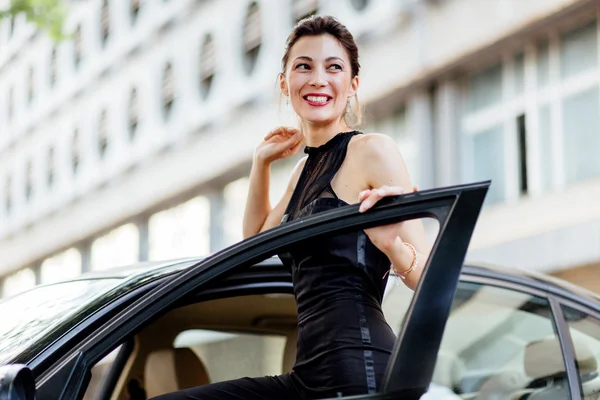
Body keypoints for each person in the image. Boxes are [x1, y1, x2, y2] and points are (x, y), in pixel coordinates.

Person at [151, 15, 431, 400]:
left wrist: (392, 247)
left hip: (359, 371)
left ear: (352, 86)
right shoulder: (302, 170)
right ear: (285, 84)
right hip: (307, 376)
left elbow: (428, 275)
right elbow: (254, 244)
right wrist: (260, 163)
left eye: (333, 67)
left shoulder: (373, 150)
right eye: (304, 66)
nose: (318, 79)